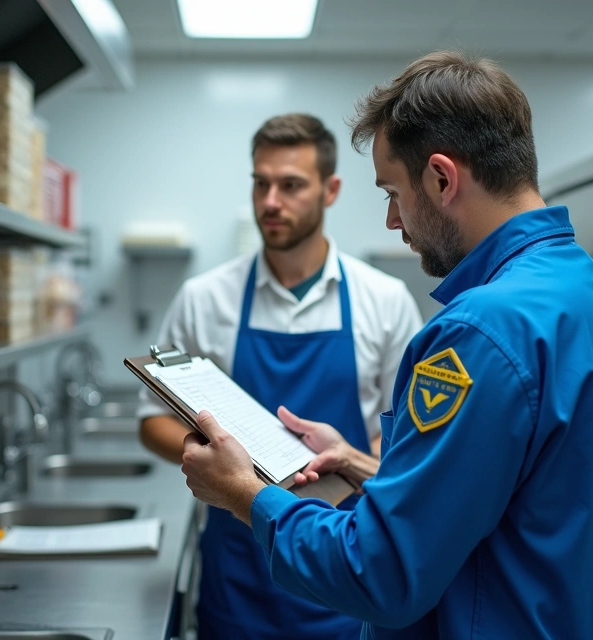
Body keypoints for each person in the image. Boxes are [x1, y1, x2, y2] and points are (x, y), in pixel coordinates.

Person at [177, 53, 593, 639]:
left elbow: (379, 572)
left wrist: (244, 493)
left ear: (441, 178)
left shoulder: (480, 332)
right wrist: (357, 462)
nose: (391, 220)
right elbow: (509, 497)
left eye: (393, 192)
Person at [137, 113, 424, 639]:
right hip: (237, 576)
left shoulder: (384, 301)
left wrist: (346, 462)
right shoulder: (204, 299)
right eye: (260, 183)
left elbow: (404, 435)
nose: (270, 202)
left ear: (330, 190)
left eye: (291, 185)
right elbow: (153, 420)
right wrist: (216, 464)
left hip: (345, 564)